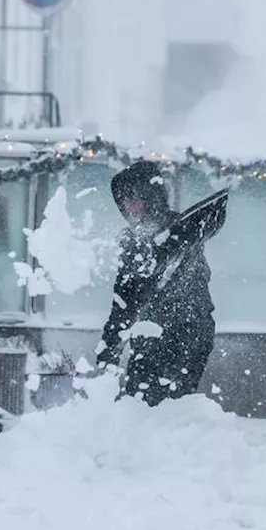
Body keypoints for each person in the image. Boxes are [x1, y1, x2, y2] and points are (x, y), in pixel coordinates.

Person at [96, 161, 223, 406]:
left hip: (185, 336)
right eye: (125, 202)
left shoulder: (181, 233)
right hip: (148, 337)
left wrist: (164, 261)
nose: (129, 207)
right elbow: (124, 300)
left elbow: (196, 285)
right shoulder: (134, 242)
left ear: (152, 198)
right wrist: (109, 351)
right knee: (139, 405)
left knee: (164, 409)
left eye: (136, 199)